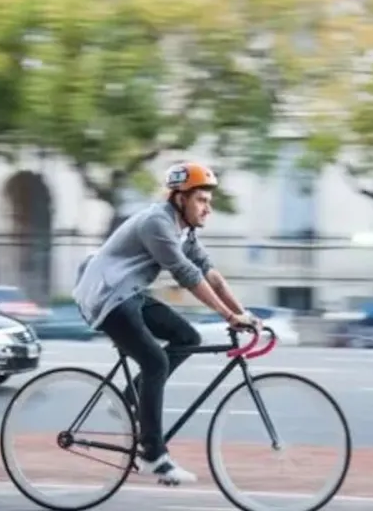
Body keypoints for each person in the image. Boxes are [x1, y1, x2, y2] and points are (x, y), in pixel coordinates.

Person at [71, 161, 260, 486]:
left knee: (187, 336)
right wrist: (228, 317)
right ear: (179, 198)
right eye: (201, 200)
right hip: (107, 298)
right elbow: (188, 276)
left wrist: (245, 314)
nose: (207, 209)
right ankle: (153, 456)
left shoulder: (184, 231)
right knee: (155, 361)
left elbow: (211, 274)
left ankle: (130, 396)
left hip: (129, 294)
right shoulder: (157, 223)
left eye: (208, 202)